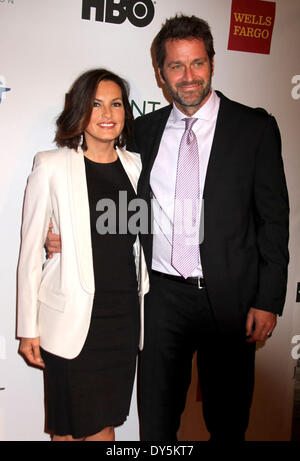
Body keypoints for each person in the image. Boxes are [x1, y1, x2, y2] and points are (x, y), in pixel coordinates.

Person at [46, 15, 289, 441]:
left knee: (228, 421)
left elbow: (273, 220)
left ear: (212, 63)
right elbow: (118, 201)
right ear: (160, 73)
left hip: (231, 299)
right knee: (156, 423)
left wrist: (268, 300)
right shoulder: (142, 131)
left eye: (197, 63)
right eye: (176, 66)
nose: (188, 76)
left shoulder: (254, 128)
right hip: (160, 299)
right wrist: (72, 236)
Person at [17, 68, 149, 441]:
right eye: (95, 104)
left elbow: (139, 238)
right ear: (79, 111)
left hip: (122, 318)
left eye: (116, 104)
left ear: (125, 112)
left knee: (102, 424)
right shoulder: (52, 165)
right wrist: (28, 327)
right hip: (71, 319)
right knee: (71, 429)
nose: (107, 114)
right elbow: (29, 251)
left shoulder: (137, 167)